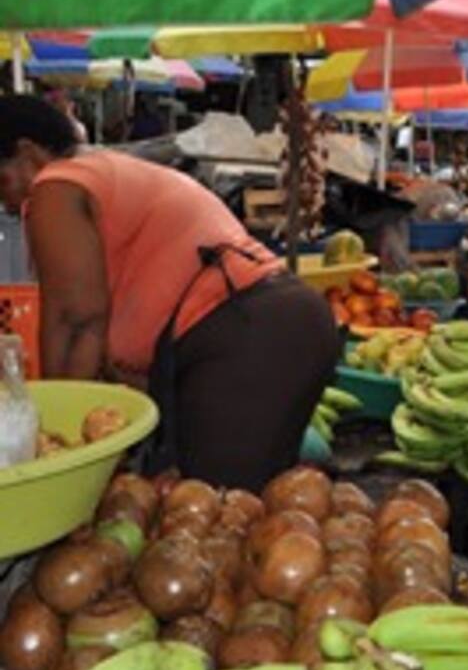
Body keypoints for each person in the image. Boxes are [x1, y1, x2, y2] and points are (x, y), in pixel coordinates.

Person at [0, 95, 339, 491]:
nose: (5, 203)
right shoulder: (105, 172)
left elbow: (76, 319)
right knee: (235, 512)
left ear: (28, 154)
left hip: (249, 335)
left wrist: (58, 433)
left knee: (212, 513)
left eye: (0, 180)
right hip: (269, 329)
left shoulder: (56, 186)